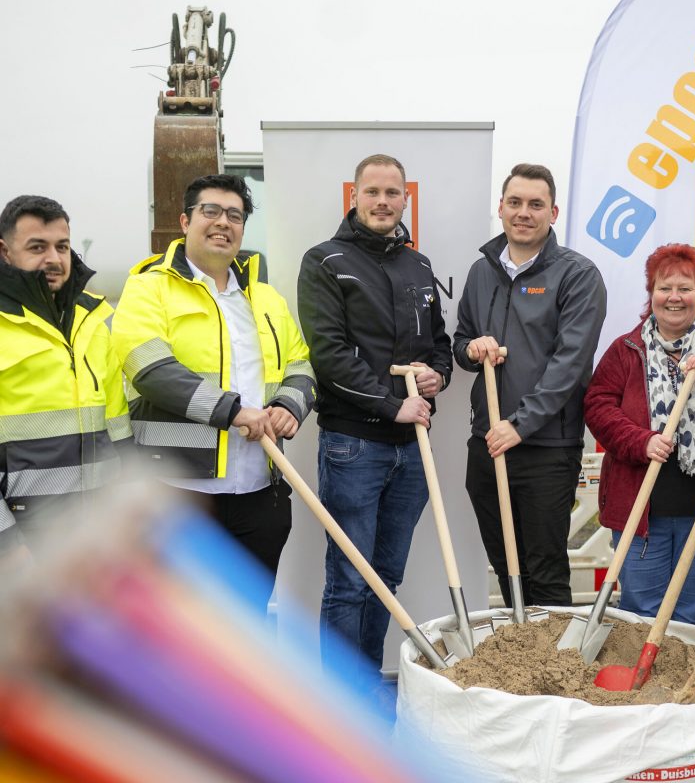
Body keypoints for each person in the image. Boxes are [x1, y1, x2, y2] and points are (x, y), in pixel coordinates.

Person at [112, 174, 315, 609]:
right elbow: (150, 368)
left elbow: (300, 364)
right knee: (181, 629)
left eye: (235, 215)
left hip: (261, 492)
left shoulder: (264, 298)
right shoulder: (148, 287)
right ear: (185, 221)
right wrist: (233, 410)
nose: (223, 222)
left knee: (247, 625)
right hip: (181, 494)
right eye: (211, 211)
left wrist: (288, 407)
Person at [297, 154, 452, 675]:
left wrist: (438, 376)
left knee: (385, 576)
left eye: (393, 193)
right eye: (373, 192)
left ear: (405, 199)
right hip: (353, 447)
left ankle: (366, 683)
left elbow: (439, 344)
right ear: (354, 197)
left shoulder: (419, 265)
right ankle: (342, 703)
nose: (383, 202)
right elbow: (329, 355)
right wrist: (392, 404)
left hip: (413, 452)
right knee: (349, 580)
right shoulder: (324, 262)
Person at [583, 244, 695, 638]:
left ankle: (693, 697)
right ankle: (645, 697)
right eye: (665, 288)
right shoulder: (626, 350)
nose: (675, 298)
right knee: (640, 615)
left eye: (686, 288)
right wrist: (640, 441)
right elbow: (597, 407)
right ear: (651, 294)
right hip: (641, 510)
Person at [453, 162, 607, 608]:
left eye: (535, 204)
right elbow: (460, 342)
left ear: (552, 213)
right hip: (486, 442)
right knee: (506, 566)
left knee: (544, 569)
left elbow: (571, 363)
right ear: (500, 208)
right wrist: (472, 349)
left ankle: (551, 675)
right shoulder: (482, 272)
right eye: (515, 202)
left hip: (545, 448)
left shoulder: (577, 275)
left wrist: (519, 424)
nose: (524, 212)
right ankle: (520, 662)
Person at [0, 195, 131, 562]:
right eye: (37, 247)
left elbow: (117, 425)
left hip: (99, 532)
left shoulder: (92, 319)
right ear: (5, 251)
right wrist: (8, 545)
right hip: (27, 539)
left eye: (62, 246)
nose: (54, 259)